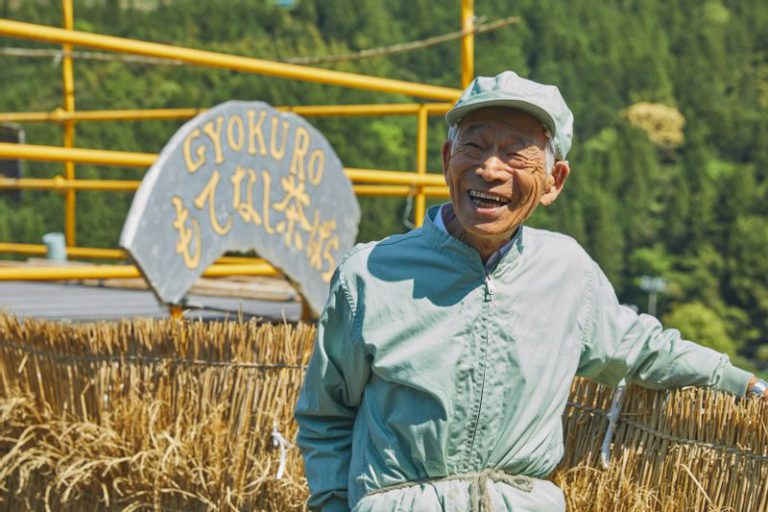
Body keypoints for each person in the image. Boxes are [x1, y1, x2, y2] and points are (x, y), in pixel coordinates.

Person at [294, 71, 768, 512]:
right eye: (474, 147)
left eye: (516, 153)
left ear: (553, 182)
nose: (490, 168)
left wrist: (747, 384)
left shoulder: (567, 272)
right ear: (446, 161)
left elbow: (644, 349)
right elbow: (326, 416)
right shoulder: (370, 275)